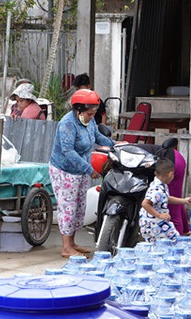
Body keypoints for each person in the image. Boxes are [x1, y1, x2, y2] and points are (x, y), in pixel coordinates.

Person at [49, 89, 116, 258]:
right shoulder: (67, 124)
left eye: (93, 113)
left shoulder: (89, 122)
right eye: (89, 113)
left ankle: (72, 243)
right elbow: (68, 151)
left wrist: (115, 146)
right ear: (78, 110)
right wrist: (88, 168)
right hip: (64, 171)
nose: (91, 117)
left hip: (81, 170)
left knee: (79, 208)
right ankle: (66, 247)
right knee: (68, 208)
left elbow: (97, 137)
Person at [139, 158, 191, 243]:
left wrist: (184, 201)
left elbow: (166, 198)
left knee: (156, 247)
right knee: (175, 241)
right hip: (155, 223)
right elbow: (145, 203)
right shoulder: (157, 189)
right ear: (171, 174)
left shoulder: (160, 185)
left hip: (148, 224)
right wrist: (159, 215)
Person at [168, 148, 191, 235]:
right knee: (176, 204)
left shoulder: (157, 187)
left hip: (173, 162)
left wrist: (159, 215)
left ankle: (178, 241)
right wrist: (183, 201)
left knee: (173, 212)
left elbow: (145, 203)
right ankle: (185, 231)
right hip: (176, 158)